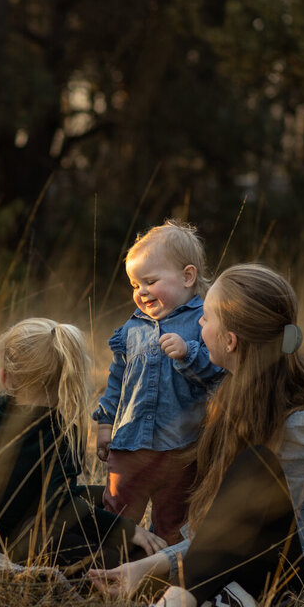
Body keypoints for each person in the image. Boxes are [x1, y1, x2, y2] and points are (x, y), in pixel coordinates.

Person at [89, 264, 304, 607]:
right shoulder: (228, 397)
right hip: (223, 560)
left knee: (255, 466)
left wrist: (165, 571)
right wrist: (145, 564)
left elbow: (244, 529)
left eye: (205, 317)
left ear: (230, 340)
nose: (197, 326)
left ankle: (178, 606)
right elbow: (212, 527)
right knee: (95, 514)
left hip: (292, 568)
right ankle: (209, 600)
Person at [0, 318, 166, 571]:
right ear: (66, 376)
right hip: (22, 545)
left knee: (107, 496)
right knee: (122, 558)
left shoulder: (0, 408)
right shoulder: (60, 428)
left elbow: (39, 493)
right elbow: (58, 504)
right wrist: (124, 530)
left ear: (6, 378)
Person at [93, 221, 225, 544]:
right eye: (135, 285)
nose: (141, 292)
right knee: (117, 512)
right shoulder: (131, 328)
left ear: (187, 276)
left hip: (181, 449)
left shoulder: (202, 322)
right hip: (130, 444)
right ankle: (112, 564)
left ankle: (161, 571)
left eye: (150, 281)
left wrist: (188, 353)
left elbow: (218, 369)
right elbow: (117, 381)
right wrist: (105, 423)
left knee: (174, 520)